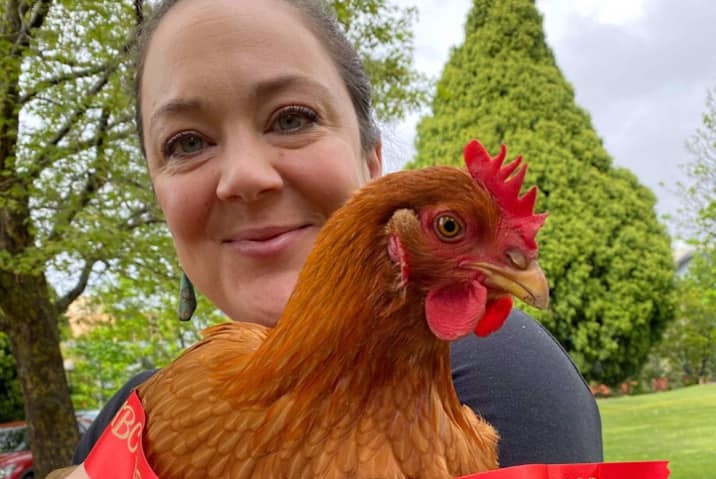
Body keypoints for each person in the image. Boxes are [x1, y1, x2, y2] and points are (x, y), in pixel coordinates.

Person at [73, 0, 603, 470]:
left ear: (373, 161)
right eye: (186, 143)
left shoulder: (499, 379)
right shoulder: (129, 417)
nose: (245, 177)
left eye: (291, 119)